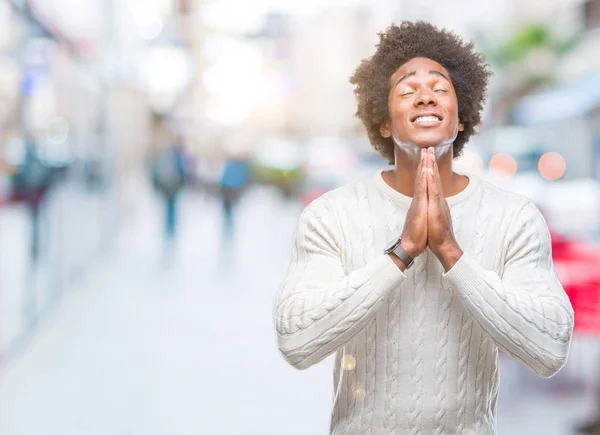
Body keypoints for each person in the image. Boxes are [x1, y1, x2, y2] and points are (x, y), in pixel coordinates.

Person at [273, 21, 574, 434]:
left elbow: (550, 348)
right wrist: (402, 252)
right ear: (383, 121)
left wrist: (451, 251)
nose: (425, 96)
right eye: (407, 89)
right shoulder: (332, 215)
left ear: (461, 117)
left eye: (440, 87)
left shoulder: (514, 217)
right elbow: (297, 341)